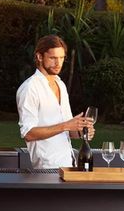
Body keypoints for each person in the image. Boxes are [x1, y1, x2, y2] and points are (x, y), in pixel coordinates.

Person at [16, 35, 95, 169]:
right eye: (53, 58)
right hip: (46, 169)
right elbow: (28, 133)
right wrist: (65, 125)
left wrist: (81, 130)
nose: (58, 63)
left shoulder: (60, 84)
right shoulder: (30, 88)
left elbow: (68, 131)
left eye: (61, 58)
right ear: (40, 57)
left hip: (69, 166)